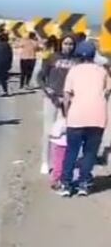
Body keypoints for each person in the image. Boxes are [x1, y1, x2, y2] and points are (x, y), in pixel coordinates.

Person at [56, 42, 111, 196]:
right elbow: (107, 92)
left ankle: (66, 184)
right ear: (94, 55)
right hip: (97, 117)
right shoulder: (102, 71)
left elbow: (66, 96)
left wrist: (67, 113)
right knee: (90, 152)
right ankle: (84, 183)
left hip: (76, 116)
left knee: (72, 151)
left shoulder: (73, 71)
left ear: (78, 55)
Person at [37, 34, 79, 175]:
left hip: (69, 100)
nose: (68, 46)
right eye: (66, 43)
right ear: (61, 44)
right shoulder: (52, 57)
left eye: (71, 44)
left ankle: (61, 161)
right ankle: (45, 160)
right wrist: (48, 90)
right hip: (51, 98)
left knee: (66, 132)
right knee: (48, 130)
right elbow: (41, 76)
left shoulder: (77, 61)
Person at [48, 107, 68, 187]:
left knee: (58, 162)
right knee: (64, 163)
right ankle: (60, 179)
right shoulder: (73, 122)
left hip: (59, 145)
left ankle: (55, 179)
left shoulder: (59, 122)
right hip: (68, 145)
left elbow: (52, 135)